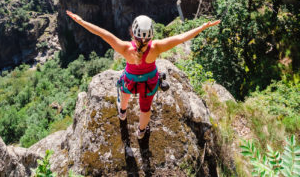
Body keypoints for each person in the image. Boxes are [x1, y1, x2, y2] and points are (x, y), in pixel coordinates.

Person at [65, 10, 219, 138]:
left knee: (125, 92)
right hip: (149, 83)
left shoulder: (125, 48)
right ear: (151, 35)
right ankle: (140, 132)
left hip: (130, 81)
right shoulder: (156, 47)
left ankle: (122, 112)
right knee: (145, 109)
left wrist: (81, 21)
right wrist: (202, 27)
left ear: (133, 33)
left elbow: (102, 34)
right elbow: (181, 38)